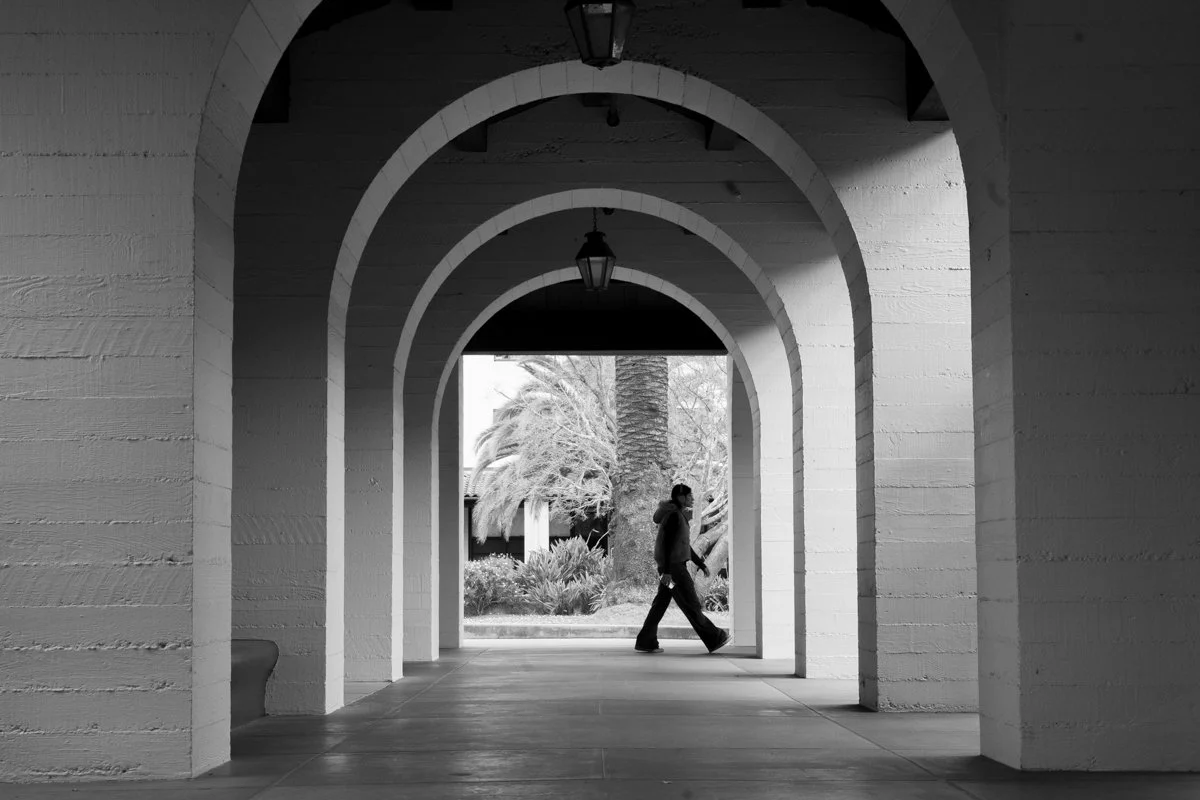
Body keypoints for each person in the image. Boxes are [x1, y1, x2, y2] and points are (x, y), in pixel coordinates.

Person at [634, 483, 731, 654]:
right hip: (674, 571)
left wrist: (701, 564)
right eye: (689, 495)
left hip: (670, 571)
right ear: (680, 497)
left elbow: (683, 545)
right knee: (691, 603)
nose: (692, 498)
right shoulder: (673, 516)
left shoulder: (677, 515)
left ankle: (645, 641)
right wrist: (667, 572)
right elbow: (667, 545)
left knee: (661, 603)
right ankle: (715, 638)